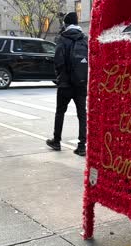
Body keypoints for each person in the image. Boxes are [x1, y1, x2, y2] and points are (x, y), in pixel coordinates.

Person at [46, 12, 89, 156]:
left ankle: (56, 141)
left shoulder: (63, 39)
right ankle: (82, 145)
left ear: (66, 23)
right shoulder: (84, 39)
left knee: (60, 112)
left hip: (65, 84)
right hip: (81, 83)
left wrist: (60, 77)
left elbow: (58, 61)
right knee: (82, 114)